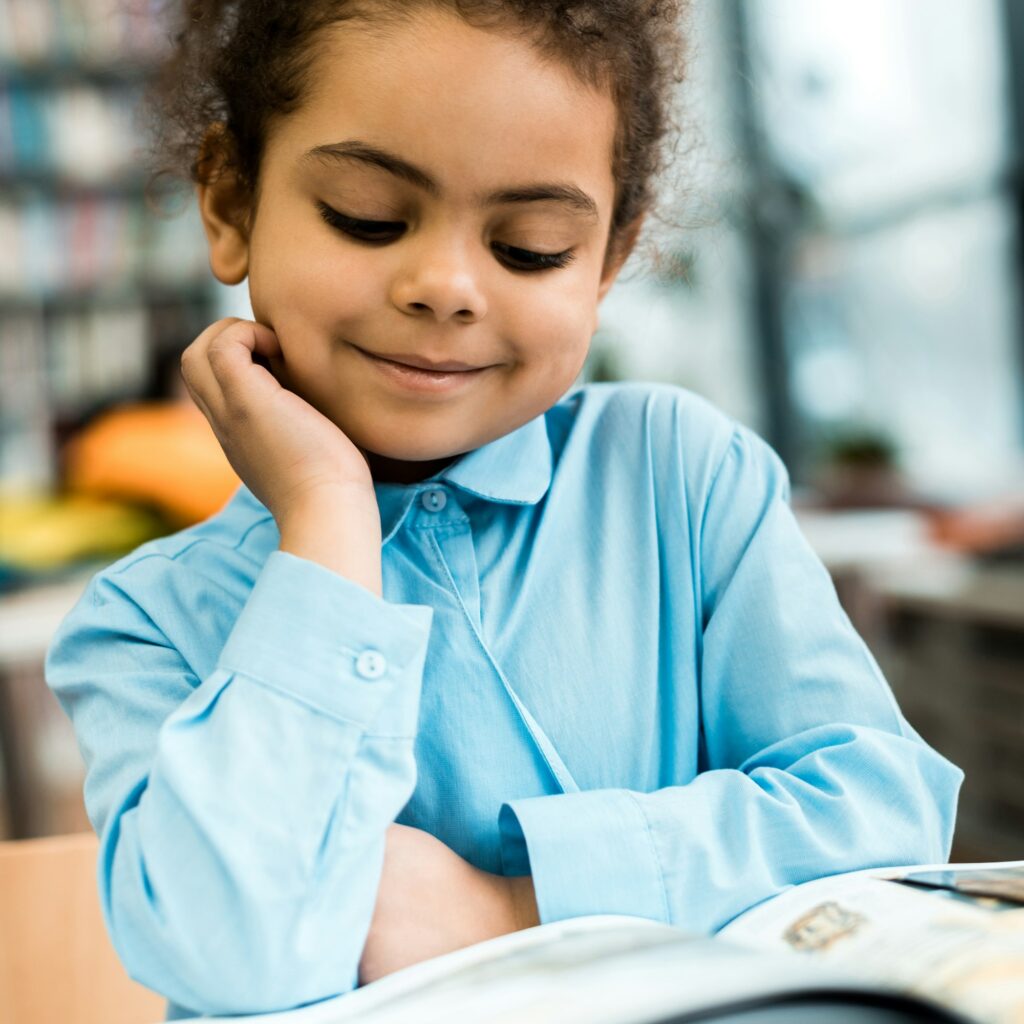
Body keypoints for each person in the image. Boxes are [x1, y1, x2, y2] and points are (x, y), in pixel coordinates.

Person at [46, 1, 963, 1019]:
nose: (445, 287)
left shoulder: (681, 475)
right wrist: (326, 524)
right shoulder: (143, 625)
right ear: (228, 200)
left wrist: (512, 902)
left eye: (529, 247)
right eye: (365, 215)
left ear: (608, 258)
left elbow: (880, 808)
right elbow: (226, 952)